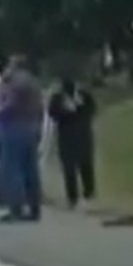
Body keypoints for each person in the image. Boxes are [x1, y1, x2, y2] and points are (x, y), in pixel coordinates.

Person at [0, 54, 45, 223]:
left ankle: (16, 208)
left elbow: (10, 103)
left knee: (12, 170)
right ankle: (35, 207)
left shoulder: (15, 82)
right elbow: (41, 107)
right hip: (32, 126)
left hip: (14, 127)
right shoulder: (34, 82)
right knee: (31, 169)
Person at [47, 76, 97, 209]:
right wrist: (66, 111)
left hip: (83, 133)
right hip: (66, 135)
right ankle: (72, 197)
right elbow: (52, 113)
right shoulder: (58, 98)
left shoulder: (84, 95)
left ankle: (89, 193)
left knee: (86, 164)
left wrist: (79, 107)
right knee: (69, 167)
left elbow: (92, 110)